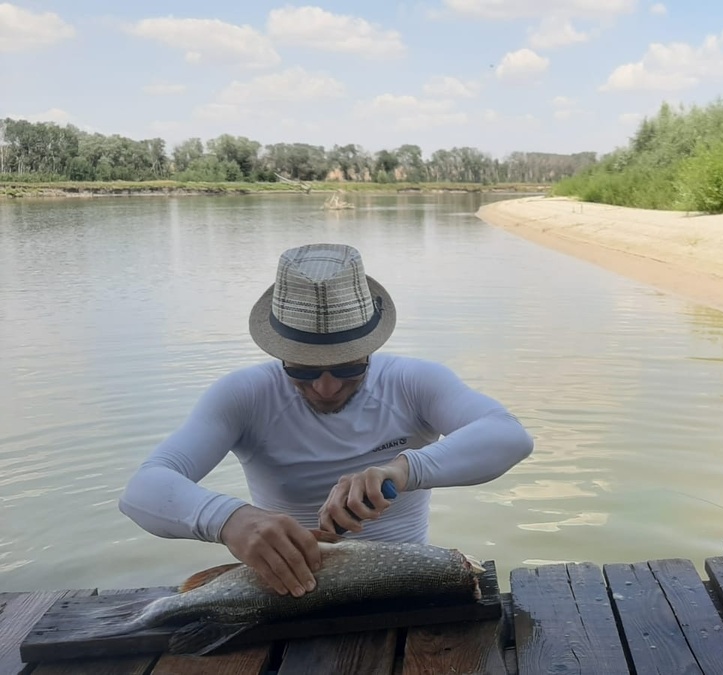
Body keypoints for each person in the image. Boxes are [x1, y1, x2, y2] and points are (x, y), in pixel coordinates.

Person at [119, 242, 535, 598]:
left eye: (348, 368)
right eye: (303, 370)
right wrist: (229, 520)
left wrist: (404, 467)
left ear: (370, 349)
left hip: (405, 589)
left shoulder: (414, 382)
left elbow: (510, 436)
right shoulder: (244, 394)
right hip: (289, 592)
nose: (326, 386)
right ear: (277, 352)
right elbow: (143, 490)